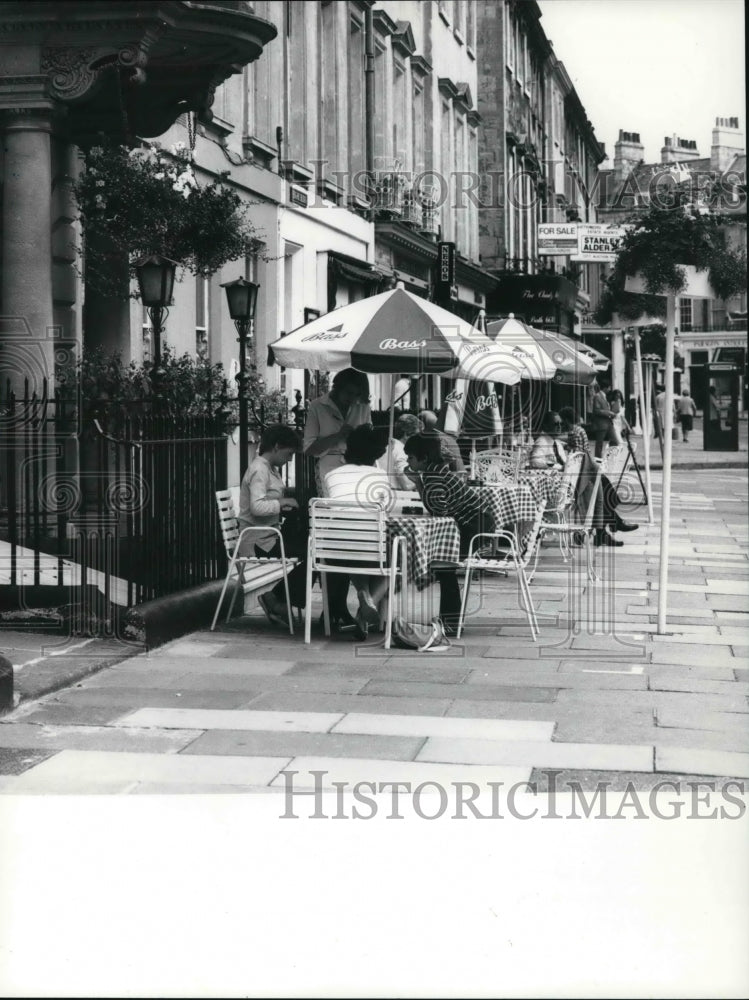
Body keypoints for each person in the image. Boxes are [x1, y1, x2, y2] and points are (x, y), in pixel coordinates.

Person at [303, 368, 372, 634]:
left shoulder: (362, 405)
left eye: (356, 395)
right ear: (336, 387)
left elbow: (368, 437)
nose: (350, 400)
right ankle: (336, 607)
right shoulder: (316, 407)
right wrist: (340, 435)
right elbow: (309, 448)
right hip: (330, 472)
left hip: (359, 470)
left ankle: (342, 607)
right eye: (347, 394)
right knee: (335, 535)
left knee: (354, 533)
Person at [404, 433, 492, 634]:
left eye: (411, 458)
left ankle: (451, 621)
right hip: (478, 522)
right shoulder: (436, 471)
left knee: (445, 566)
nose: (408, 462)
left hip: (475, 526)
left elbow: (438, 510)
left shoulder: (433, 476)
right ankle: (448, 618)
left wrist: (418, 483)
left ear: (424, 458)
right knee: (444, 566)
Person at [324, 426, 397, 637]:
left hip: (333, 552)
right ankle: (369, 602)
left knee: (355, 543)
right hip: (368, 548)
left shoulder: (331, 475)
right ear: (376, 453)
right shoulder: (380, 475)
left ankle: (364, 599)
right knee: (398, 560)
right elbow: (387, 511)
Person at [238, 424, 307, 629]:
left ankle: (279, 599)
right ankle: (275, 599)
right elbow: (257, 507)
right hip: (258, 541)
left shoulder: (269, 469)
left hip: (269, 535)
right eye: (289, 453)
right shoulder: (259, 470)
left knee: (312, 549)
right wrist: (283, 503)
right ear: (276, 447)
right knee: (314, 554)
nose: (290, 459)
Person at [375, 413, 423, 489]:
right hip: (398, 495)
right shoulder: (401, 451)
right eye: (417, 436)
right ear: (407, 435)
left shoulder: (387, 446)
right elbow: (407, 484)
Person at [590, 378, 616, 457]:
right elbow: (597, 410)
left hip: (608, 423)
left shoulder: (605, 396)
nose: (610, 389)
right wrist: (609, 413)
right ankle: (598, 459)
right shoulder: (597, 396)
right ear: (605, 388)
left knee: (614, 441)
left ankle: (610, 456)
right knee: (599, 443)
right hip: (601, 423)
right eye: (609, 387)